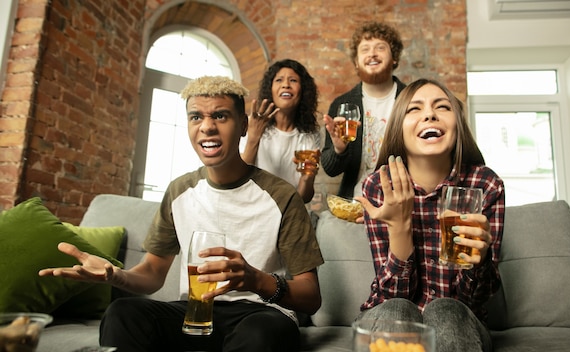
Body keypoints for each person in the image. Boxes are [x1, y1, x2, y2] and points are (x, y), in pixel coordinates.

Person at [39, 76, 324, 352]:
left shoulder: (282, 195)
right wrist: (116, 276)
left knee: (261, 332)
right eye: (196, 117)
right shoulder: (179, 191)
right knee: (123, 313)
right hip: (195, 314)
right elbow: (152, 272)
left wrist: (256, 280)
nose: (207, 127)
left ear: (243, 126)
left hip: (260, 314)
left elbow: (310, 297)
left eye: (221, 116)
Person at [354, 78, 505, 352]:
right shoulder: (379, 186)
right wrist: (400, 226)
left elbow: (475, 300)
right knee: (397, 311)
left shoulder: (484, 185)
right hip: (390, 311)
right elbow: (391, 298)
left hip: (460, 319)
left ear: (457, 125)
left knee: (447, 310)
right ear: (399, 127)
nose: (429, 114)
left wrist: (479, 260)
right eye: (415, 109)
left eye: (442, 107)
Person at [321, 21, 406, 198]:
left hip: (402, 203)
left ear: (395, 57)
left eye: (380, 47)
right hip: (355, 203)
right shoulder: (342, 104)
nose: (372, 54)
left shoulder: (412, 99)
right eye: (365, 49)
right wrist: (339, 150)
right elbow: (330, 169)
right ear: (357, 62)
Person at [240, 59, 321, 203]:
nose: (286, 85)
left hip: (289, 212)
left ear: (302, 90)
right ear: (270, 89)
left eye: (293, 80)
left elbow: (304, 198)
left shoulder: (310, 135)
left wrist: (307, 178)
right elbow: (239, 178)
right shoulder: (253, 123)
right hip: (253, 207)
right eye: (279, 80)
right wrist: (253, 137)